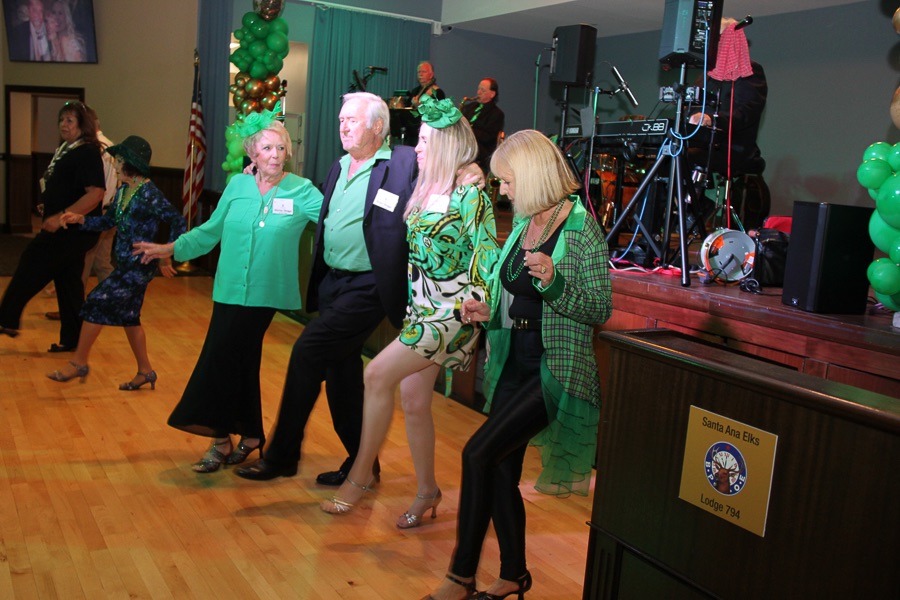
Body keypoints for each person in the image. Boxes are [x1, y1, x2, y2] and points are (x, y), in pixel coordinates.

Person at [424, 130, 612, 600]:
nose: (502, 191)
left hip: (555, 368)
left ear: (529, 175)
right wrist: (487, 311)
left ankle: (460, 576)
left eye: (506, 182)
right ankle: (514, 575)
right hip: (513, 360)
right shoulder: (528, 219)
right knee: (502, 468)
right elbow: (513, 296)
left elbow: (598, 309)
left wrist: (554, 284)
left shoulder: (579, 227)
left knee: (477, 453)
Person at [320, 95, 500, 524]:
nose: (416, 147)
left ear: (444, 145)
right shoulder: (423, 183)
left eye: (424, 140)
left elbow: (487, 250)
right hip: (420, 308)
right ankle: (427, 492)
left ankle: (359, 477)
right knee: (414, 402)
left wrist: (481, 298)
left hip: (454, 312)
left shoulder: (471, 194)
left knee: (375, 374)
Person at [234, 92, 417, 484]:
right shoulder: (339, 166)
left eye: (352, 119)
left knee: (307, 352)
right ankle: (363, 465)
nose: (343, 127)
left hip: (369, 286)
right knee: (342, 378)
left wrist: (468, 171)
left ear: (378, 126)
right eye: (340, 120)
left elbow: (447, 164)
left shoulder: (402, 162)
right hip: (335, 282)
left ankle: (281, 456)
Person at [133, 105, 323, 473]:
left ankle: (218, 437)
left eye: (281, 148)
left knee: (218, 358)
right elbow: (211, 231)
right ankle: (251, 434)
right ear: (252, 153)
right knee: (242, 362)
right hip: (229, 288)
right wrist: (171, 248)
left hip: (267, 294)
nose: (275, 155)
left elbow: (337, 218)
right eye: (266, 148)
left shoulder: (304, 191)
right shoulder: (238, 185)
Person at [46, 136, 186, 387]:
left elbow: (178, 220)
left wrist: (165, 253)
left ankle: (79, 363)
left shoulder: (149, 194)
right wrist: (81, 220)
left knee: (95, 302)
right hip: (124, 264)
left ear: (131, 164)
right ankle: (146, 372)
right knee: (130, 318)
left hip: (139, 266)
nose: (114, 164)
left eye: (119, 160)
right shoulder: (123, 191)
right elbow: (107, 222)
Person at [0, 101, 106, 349]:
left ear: (83, 124)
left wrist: (61, 216)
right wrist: (48, 207)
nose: (63, 125)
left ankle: (6, 318)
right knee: (68, 283)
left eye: (70, 120)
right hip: (68, 229)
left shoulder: (88, 151)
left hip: (71, 230)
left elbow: (96, 193)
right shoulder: (67, 149)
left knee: (30, 262)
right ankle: (72, 341)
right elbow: (65, 186)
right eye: (61, 120)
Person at [687, 17, 768, 229]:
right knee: (666, 156)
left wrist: (712, 119)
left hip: (734, 149)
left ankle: (698, 208)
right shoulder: (706, 76)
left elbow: (746, 111)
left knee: (686, 156)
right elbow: (693, 107)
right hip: (705, 144)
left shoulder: (750, 71)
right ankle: (656, 228)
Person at [460, 78, 505, 176]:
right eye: (478, 89)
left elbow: (488, 137)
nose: (478, 92)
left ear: (492, 94)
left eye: (483, 90)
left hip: (481, 154)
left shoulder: (496, 114)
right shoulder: (470, 107)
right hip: (464, 149)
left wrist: (468, 130)